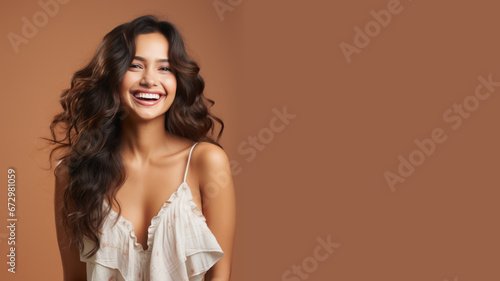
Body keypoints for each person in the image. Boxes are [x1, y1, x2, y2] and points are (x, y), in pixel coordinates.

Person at [47, 15, 236, 281]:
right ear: (112, 75)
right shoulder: (72, 172)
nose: (150, 80)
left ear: (178, 79)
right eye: (135, 66)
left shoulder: (206, 162)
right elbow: (74, 277)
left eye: (165, 68)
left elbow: (220, 276)